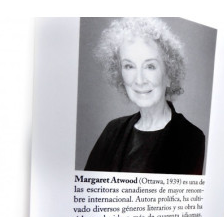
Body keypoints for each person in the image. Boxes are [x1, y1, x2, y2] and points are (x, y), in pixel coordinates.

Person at [84, 18, 205, 174]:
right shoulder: (112, 131)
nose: (139, 80)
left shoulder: (190, 137)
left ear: (169, 74)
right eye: (129, 66)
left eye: (150, 66)